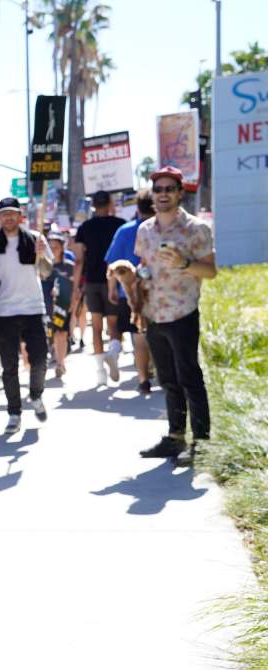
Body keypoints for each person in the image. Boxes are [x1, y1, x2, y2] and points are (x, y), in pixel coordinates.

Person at [134, 166, 217, 468]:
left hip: (183, 312)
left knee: (189, 378)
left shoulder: (196, 228)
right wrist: (137, 282)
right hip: (154, 314)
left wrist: (184, 263)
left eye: (170, 189)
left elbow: (211, 271)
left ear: (180, 193)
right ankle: (175, 437)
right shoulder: (144, 230)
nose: (163, 194)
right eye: (158, 189)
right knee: (168, 380)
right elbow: (144, 266)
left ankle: (202, 444)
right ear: (152, 195)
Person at [0, 198, 53, 434]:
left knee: (40, 359)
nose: (9, 217)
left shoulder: (35, 238)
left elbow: (46, 273)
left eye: (12, 213)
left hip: (33, 309)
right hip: (3, 312)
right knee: (9, 366)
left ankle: (36, 394)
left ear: (20, 215)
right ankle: (14, 413)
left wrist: (42, 255)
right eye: (4, 214)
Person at [104, 189, 156, 394]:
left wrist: (112, 289)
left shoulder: (125, 231)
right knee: (158, 334)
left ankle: (143, 379)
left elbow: (112, 263)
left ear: (138, 208)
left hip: (130, 294)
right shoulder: (161, 229)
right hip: (159, 292)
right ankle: (159, 371)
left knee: (139, 335)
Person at [72, 190, 126, 384]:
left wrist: (76, 286)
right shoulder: (120, 224)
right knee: (113, 325)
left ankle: (100, 372)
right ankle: (113, 353)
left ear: (93, 205)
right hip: (114, 280)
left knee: (95, 327)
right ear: (110, 204)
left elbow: (79, 260)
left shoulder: (85, 227)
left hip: (92, 281)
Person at [43, 233, 76, 379]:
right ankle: (55, 356)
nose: (53, 249)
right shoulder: (44, 266)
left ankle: (60, 363)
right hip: (47, 305)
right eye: (50, 247)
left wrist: (74, 303)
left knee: (61, 333)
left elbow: (75, 286)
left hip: (63, 305)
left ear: (62, 248)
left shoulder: (69, 266)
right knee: (51, 334)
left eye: (56, 246)